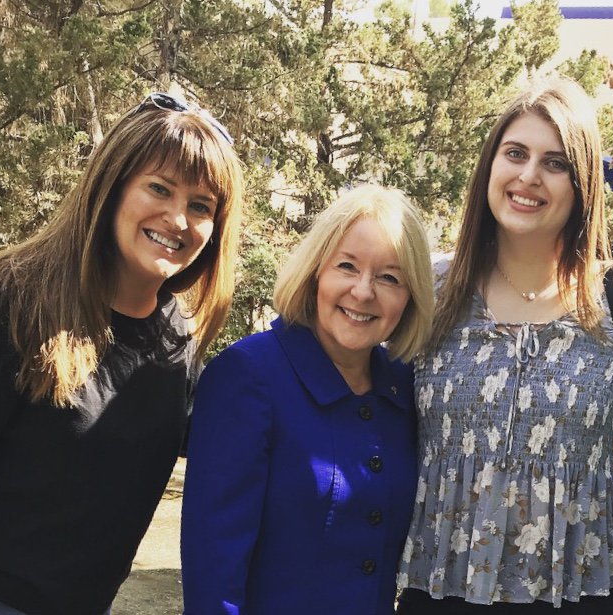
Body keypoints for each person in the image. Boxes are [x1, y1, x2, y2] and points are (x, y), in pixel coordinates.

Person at [395, 77, 613, 614]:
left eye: (555, 163)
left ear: (583, 183)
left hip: (582, 587)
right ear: (490, 166)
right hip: (443, 584)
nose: (529, 176)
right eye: (515, 153)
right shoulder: (432, 290)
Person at [0, 92, 244, 615]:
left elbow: (235, 442)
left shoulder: (178, 339)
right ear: (112, 184)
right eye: (159, 188)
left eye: (201, 206)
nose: (178, 220)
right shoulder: (5, 302)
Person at [180, 184, 435, 615]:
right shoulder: (247, 376)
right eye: (347, 266)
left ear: (410, 297)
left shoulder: (404, 387)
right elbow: (213, 569)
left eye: (390, 277)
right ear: (317, 270)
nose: (363, 291)